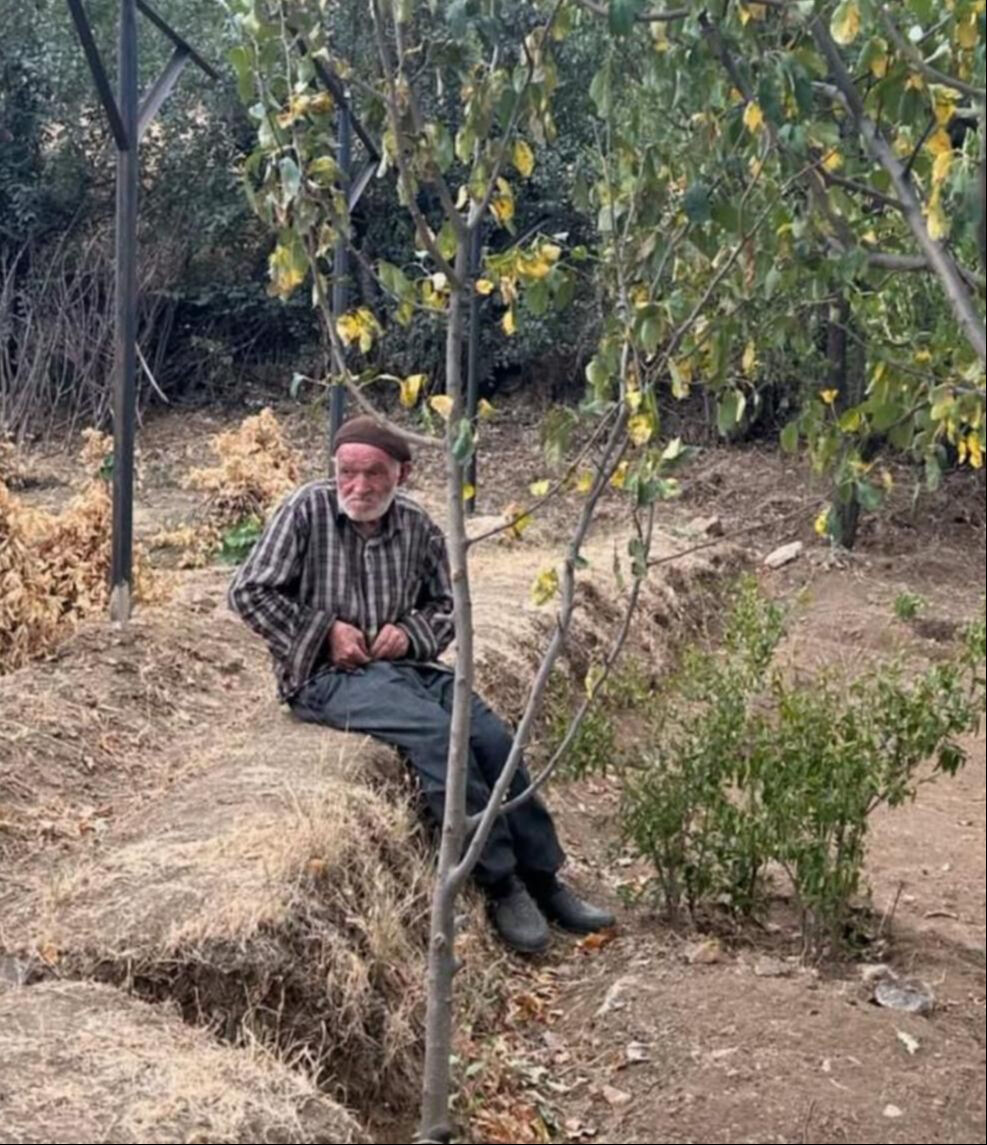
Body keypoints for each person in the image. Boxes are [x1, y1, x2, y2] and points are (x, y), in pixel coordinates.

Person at [228, 415, 614, 953]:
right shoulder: (304, 511)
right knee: (438, 737)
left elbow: (447, 604)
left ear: (402, 474)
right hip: (325, 676)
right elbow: (248, 593)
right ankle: (500, 882)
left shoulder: (416, 525)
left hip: (408, 670)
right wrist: (325, 632)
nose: (358, 487)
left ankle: (544, 877)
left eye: (374, 474)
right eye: (347, 473)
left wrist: (409, 635)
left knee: (492, 737)